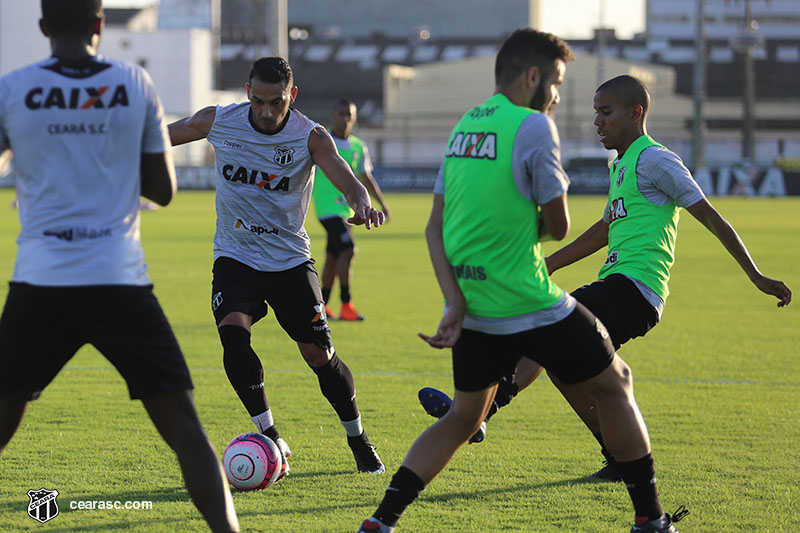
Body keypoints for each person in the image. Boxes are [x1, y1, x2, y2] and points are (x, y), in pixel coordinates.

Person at [359, 30, 682, 533]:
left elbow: (434, 227)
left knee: (463, 418)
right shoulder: (533, 125)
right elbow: (559, 225)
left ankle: (381, 521)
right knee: (616, 382)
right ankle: (651, 519)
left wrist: (453, 303)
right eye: (556, 84)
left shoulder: (465, 126)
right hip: (529, 299)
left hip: (476, 302)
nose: (556, 97)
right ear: (533, 77)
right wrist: (536, 210)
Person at [418, 74, 793, 483]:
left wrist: (755, 275)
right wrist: (550, 263)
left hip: (637, 289)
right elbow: (604, 231)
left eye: (606, 112)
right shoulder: (621, 165)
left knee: (548, 327)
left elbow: (711, 217)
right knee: (562, 367)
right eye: (596, 112)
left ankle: (482, 412)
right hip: (617, 285)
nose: (597, 121)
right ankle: (618, 458)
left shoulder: (656, 160)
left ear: (635, 113)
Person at [0, 2, 239, 532]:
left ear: (43, 27)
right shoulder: (133, 84)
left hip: (42, 281)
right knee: (184, 428)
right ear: (100, 24)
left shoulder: (13, 88)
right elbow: (163, 191)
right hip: (118, 280)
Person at [168, 57, 386, 476]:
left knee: (319, 355)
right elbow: (160, 138)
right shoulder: (219, 121)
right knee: (233, 334)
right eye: (259, 101)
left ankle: (358, 437)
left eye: (277, 102)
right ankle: (269, 435)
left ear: (293, 96)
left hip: (288, 261)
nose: (267, 112)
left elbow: (346, 177)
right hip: (235, 255)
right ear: (248, 92)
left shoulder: (310, 136)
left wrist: (361, 202)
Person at [312, 98, 391, 321]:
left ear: (355, 118)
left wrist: (382, 204)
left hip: (348, 211)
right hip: (327, 208)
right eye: (341, 113)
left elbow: (366, 177)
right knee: (349, 249)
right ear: (333, 115)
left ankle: (321, 307)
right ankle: (346, 305)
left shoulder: (358, 146)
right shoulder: (322, 141)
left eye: (350, 114)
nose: (345, 118)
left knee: (333, 257)